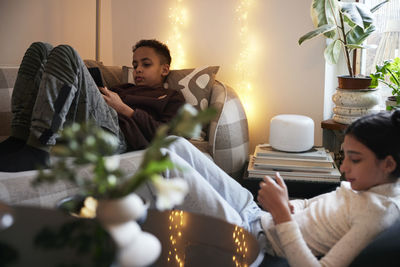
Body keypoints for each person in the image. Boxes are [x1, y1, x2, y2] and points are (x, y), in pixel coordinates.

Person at [140, 109, 400, 267]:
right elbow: (311, 205)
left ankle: (119, 222)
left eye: (355, 160)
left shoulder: (375, 213)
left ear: (388, 163)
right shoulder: (366, 184)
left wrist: (283, 216)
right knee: (174, 144)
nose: (344, 170)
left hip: (249, 239)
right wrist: (289, 204)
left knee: (164, 163)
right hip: (256, 215)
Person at [0, 39, 185, 172]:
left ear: (165, 69)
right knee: (40, 49)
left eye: (146, 64)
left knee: (67, 52)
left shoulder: (172, 97)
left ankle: (38, 148)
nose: (138, 69)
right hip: (89, 122)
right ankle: (19, 135)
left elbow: (170, 136)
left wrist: (124, 109)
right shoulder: (123, 87)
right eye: (135, 64)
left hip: (118, 137)